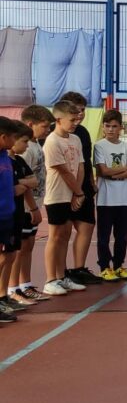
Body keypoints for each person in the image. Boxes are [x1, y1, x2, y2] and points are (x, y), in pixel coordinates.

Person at [41, 101, 87, 295]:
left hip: (72, 194)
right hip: (57, 195)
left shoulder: (75, 139)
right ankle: (50, 279)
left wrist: (77, 192)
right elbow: (64, 171)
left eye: (77, 118)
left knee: (66, 234)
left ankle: (61, 276)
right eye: (72, 119)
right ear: (58, 119)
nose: (76, 122)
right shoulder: (52, 141)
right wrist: (78, 193)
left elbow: (80, 167)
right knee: (55, 236)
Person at [58, 92, 101, 285]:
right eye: (77, 110)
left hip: (83, 185)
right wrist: (74, 189)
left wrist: (90, 182)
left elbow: (85, 159)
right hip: (64, 187)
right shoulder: (55, 133)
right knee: (63, 231)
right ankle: (60, 272)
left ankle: (78, 268)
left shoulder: (82, 132)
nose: (81, 114)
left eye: (83, 110)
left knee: (87, 225)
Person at [10, 105, 51, 303]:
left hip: (33, 204)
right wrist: (33, 208)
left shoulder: (34, 145)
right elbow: (23, 182)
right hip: (25, 207)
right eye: (44, 126)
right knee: (19, 249)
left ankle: (24, 285)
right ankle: (13, 288)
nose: (48, 130)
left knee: (28, 246)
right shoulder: (24, 150)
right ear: (30, 124)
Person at [94, 110, 127, 282]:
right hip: (105, 200)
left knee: (122, 236)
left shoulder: (126, 146)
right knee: (103, 237)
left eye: (114, 126)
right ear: (103, 128)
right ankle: (105, 267)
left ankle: (119, 266)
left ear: (121, 128)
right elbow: (103, 170)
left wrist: (116, 174)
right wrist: (123, 169)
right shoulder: (99, 146)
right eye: (107, 126)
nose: (111, 129)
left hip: (124, 200)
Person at [0, 118, 26, 320]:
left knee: (8, 256)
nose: (16, 141)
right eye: (14, 137)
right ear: (3, 137)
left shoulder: (6, 158)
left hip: (8, 216)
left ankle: (2, 297)